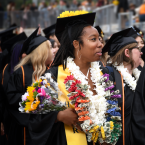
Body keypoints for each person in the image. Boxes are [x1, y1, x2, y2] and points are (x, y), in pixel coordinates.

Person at [46, 10, 116, 145]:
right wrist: (58, 116)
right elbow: (34, 111)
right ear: (76, 44)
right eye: (93, 39)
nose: (100, 44)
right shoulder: (54, 75)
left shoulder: (105, 72)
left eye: (99, 39)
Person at [6, 27, 53, 145]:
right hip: (26, 129)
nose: (53, 51)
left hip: (47, 127)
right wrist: (34, 98)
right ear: (42, 52)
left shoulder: (51, 72)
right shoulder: (21, 72)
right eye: (50, 48)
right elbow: (11, 98)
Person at [103, 30, 142, 145]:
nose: (141, 53)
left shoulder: (139, 76)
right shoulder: (110, 76)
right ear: (127, 52)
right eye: (138, 49)